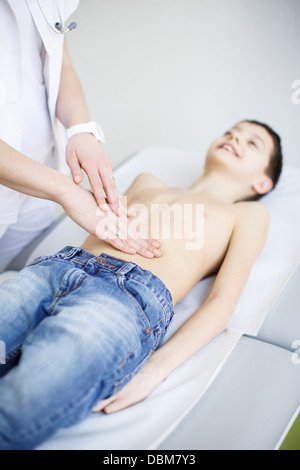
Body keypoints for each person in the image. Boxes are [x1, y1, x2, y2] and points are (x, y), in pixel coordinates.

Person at [0, 120, 283, 449]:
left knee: (31, 394)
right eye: (232, 132)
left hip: (127, 299)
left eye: (253, 143)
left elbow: (223, 302)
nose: (236, 138)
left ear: (263, 181)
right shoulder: (147, 181)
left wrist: (156, 370)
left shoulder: (249, 215)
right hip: (57, 267)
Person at [0, 0, 157, 273]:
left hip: (39, 181)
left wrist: (81, 129)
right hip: (45, 184)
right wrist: (65, 191)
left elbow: (60, 64)